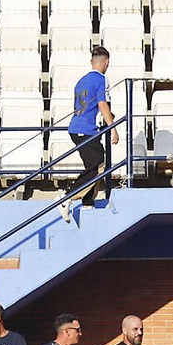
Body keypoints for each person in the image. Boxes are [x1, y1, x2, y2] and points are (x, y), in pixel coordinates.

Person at [62, 45, 117, 224]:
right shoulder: (101, 79)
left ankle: (87, 201)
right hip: (86, 130)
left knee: (93, 166)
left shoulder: (81, 80)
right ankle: (67, 197)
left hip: (76, 128)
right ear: (106, 62)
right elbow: (102, 104)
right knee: (98, 164)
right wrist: (113, 127)